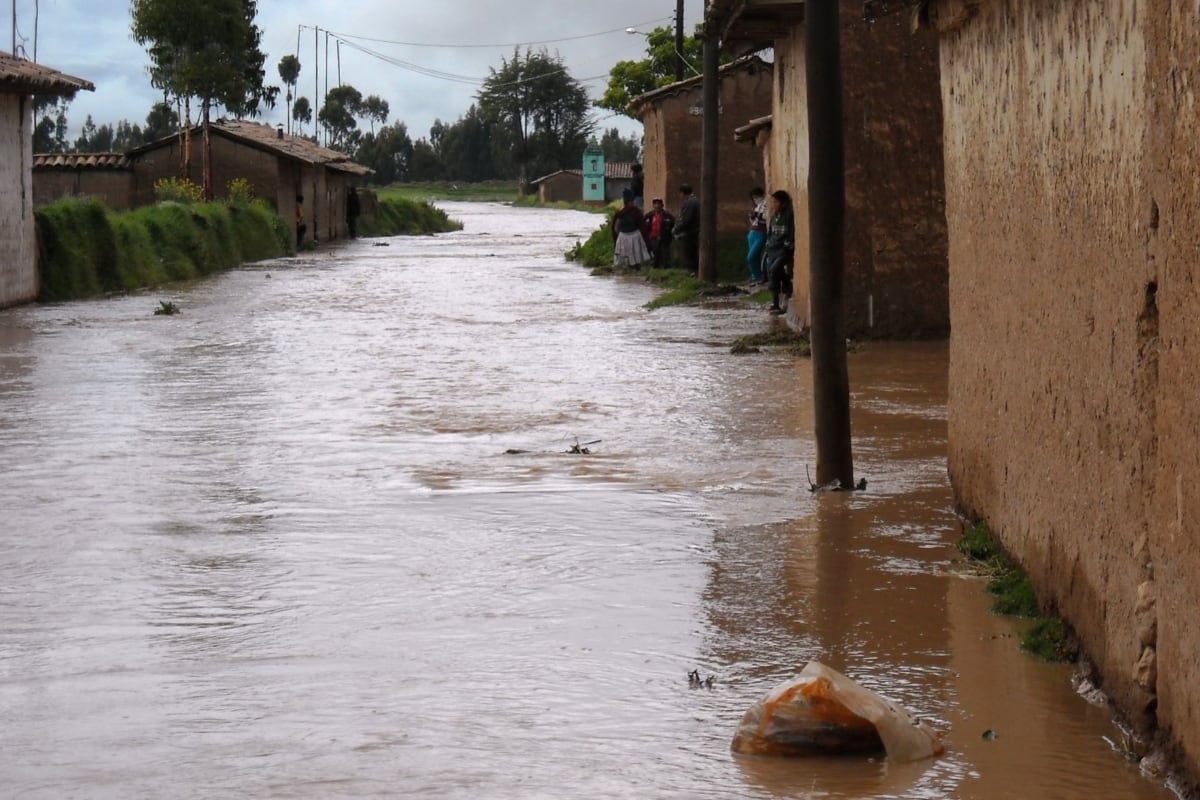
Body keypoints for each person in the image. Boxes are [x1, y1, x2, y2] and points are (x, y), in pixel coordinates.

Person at [763, 189, 796, 315]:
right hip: (772, 249)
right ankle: (776, 301)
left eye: (776, 202)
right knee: (772, 271)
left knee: (775, 270)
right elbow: (770, 234)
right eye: (773, 202)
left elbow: (791, 234)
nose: (774, 204)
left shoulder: (788, 215)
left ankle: (782, 295)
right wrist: (768, 246)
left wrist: (787, 247)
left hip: (783, 249)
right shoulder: (773, 217)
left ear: (783, 203)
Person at [611, 189, 652, 267]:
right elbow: (616, 228)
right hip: (625, 238)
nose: (632, 203)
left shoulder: (634, 212)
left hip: (631, 237)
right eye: (631, 201)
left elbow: (615, 229)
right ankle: (629, 268)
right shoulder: (622, 213)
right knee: (627, 256)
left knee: (634, 255)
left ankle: (633, 268)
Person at [673, 183, 701, 275]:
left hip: (690, 233)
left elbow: (686, 219)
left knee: (689, 255)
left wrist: (676, 229)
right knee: (691, 255)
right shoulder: (694, 201)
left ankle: (692, 274)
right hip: (693, 232)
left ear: (682, 193)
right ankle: (693, 273)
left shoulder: (690, 202)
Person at [643, 198, 675, 268]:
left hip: (664, 240)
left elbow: (672, 225)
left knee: (665, 257)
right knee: (654, 258)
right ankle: (654, 269)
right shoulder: (648, 216)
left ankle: (666, 270)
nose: (657, 206)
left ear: (662, 205)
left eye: (658, 204)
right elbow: (644, 227)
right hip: (652, 240)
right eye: (655, 204)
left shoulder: (668, 216)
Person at [746, 186, 768, 283]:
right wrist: (752, 216)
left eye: (757, 197)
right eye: (753, 198)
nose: (755, 199)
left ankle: (759, 277)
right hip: (752, 232)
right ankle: (755, 276)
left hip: (761, 232)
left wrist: (758, 217)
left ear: (762, 195)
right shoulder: (756, 207)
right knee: (754, 257)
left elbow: (766, 218)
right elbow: (753, 221)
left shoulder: (766, 204)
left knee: (751, 256)